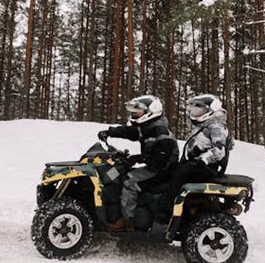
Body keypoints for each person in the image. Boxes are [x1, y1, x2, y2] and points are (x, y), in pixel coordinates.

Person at [98, 95, 179, 230]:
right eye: (133, 111)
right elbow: (130, 132)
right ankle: (113, 210)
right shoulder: (147, 127)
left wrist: (137, 159)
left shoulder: (160, 132)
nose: (134, 114)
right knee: (119, 174)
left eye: (138, 111)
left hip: (163, 171)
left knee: (129, 182)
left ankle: (127, 221)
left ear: (151, 112)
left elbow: (160, 160)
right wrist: (109, 132)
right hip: (154, 167)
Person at [155, 94, 229, 225]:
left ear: (210, 110)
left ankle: (167, 210)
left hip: (206, 167)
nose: (195, 112)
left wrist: (203, 159)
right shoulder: (204, 125)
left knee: (179, 174)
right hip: (196, 163)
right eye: (193, 109)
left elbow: (219, 150)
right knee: (170, 170)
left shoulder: (216, 126)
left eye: (199, 109)